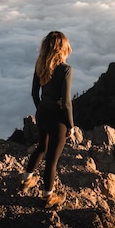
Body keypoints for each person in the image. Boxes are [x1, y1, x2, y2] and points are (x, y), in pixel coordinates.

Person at [21, 30, 74, 208]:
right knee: (52, 160)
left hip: (42, 113)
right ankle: (47, 197)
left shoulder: (40, 65)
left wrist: (41, 110)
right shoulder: (65, 70)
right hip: (57, 120)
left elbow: (34, 93)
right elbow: (66, 103)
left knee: (41, 147)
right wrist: (70, 126)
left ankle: (26, 180)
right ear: (63, 48)